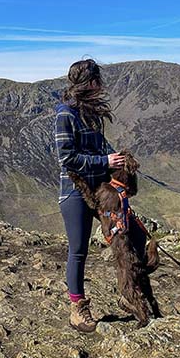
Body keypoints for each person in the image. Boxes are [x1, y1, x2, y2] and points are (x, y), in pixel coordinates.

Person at [54, 58, 126, 332]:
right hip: (74, 192)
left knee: (124, 237)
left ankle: (128, 294)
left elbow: (100, 147)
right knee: (79, 250)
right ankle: (77, 309)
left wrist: (115, 160)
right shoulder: (65, 114)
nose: (100, 86)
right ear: (89, 83)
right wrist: (105, 162)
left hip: (101, 190)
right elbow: (67, 158)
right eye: (97, 81)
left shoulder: (90, 113)